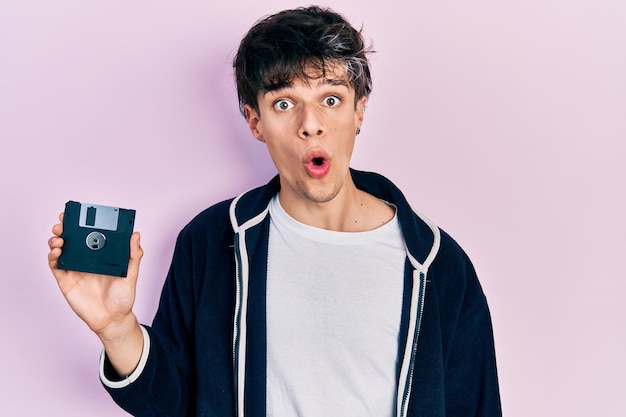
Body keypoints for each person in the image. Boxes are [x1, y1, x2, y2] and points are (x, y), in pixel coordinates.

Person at [48, 6, 501, 417]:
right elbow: (176, 400)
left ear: (359, 111)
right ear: (255, 121)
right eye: (285, 103)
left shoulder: (438, 264)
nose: (311, 124)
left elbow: (476, 405)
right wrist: (115, 328)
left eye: (331, 98)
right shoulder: (210, 242)